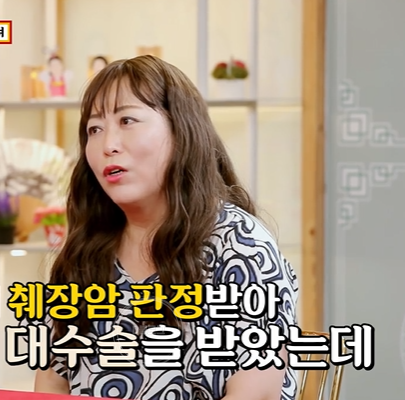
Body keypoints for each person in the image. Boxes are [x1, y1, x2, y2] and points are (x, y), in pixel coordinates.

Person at [24, 55, 299, 400]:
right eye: (94, 129)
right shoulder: (86, 250)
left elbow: (256, 395)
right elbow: (52, 383)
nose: (108, 145)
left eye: (127, 120)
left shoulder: (241, 245)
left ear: (181, 131)